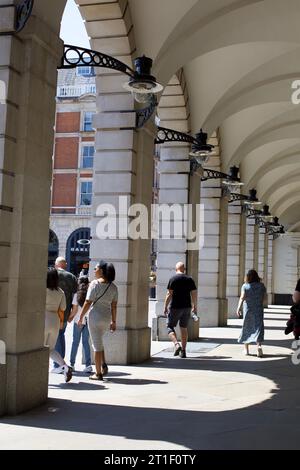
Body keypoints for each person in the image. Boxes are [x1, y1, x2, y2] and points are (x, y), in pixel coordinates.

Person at [78, 260, 118, 380]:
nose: (94, 270)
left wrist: (81, 316)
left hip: (94, 317)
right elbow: (114, 306)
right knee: (99, 342)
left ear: (101, 270)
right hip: (106, 318)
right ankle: (104, 365)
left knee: (96, 346)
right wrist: (114, 321)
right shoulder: (114, 287)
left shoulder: (94, 284)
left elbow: (88, 301)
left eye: (95, 268)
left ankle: (98, 373)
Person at [163, 262, 198, 358]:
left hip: (175, 307)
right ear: (184, 269)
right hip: (187, 307)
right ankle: (183, 351)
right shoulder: (189, 279)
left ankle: (176, 344)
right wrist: (194, 305)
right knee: (183, 328)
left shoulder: (173, 279)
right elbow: (194, 293)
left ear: (176, 269)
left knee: (169, 326)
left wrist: (165, 306)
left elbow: (169, 294)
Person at [45, 268, 72, 382]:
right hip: (55, 320)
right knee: (50, 349)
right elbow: (62, 310)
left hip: (44, 318)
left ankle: (40, 373)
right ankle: (65, 366)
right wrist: (61, 322)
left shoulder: (43, 290)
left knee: (40, 348)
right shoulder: (60, 292)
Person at [52, 257, 77, 372]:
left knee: (53, 339)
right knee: (61, 335)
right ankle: (62, 363)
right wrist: (72, 314)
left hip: (51, 311)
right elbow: (75, 298)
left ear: (56, 265)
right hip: (65, 312)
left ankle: (58, 365)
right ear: (65, 265)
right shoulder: (72, 277)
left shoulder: (51, 275)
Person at [237, 269, 267, 357]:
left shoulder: (245, 286)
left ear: (248, 277)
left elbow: (242, 297)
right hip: (258, 309)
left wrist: (238, 308)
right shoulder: (261, 286)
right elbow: (264, 297)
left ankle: (246, 350)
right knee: (258, 327)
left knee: (246, 327)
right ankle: (259, 347)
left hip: (248, 310)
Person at [68, 276, 92, 373]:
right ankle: (88, 365)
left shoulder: (76, 295)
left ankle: (72, 364)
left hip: (78, 321)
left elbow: (74, 310)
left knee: (75, 343)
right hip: (87, 321)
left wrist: (69, 318)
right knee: (86, 343)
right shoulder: (90, 294)